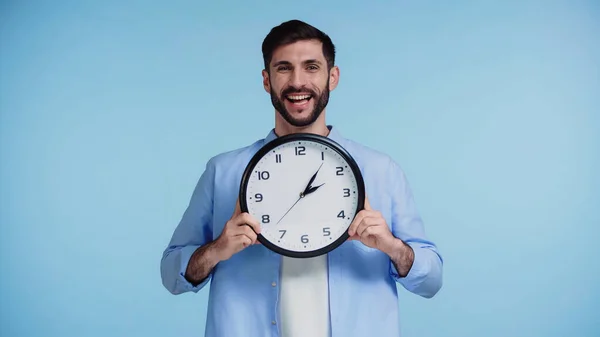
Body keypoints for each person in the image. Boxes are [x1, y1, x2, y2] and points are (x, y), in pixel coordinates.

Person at [160, 19, 443, 337]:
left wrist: (392, 247)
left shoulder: (381, 170)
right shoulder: (223, 172)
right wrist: (217, 249)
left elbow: (431, 281)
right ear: (267, 80)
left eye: (311, 67)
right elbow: (171, 276)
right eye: (284, 68)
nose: (298, 82)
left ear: (332, 77)